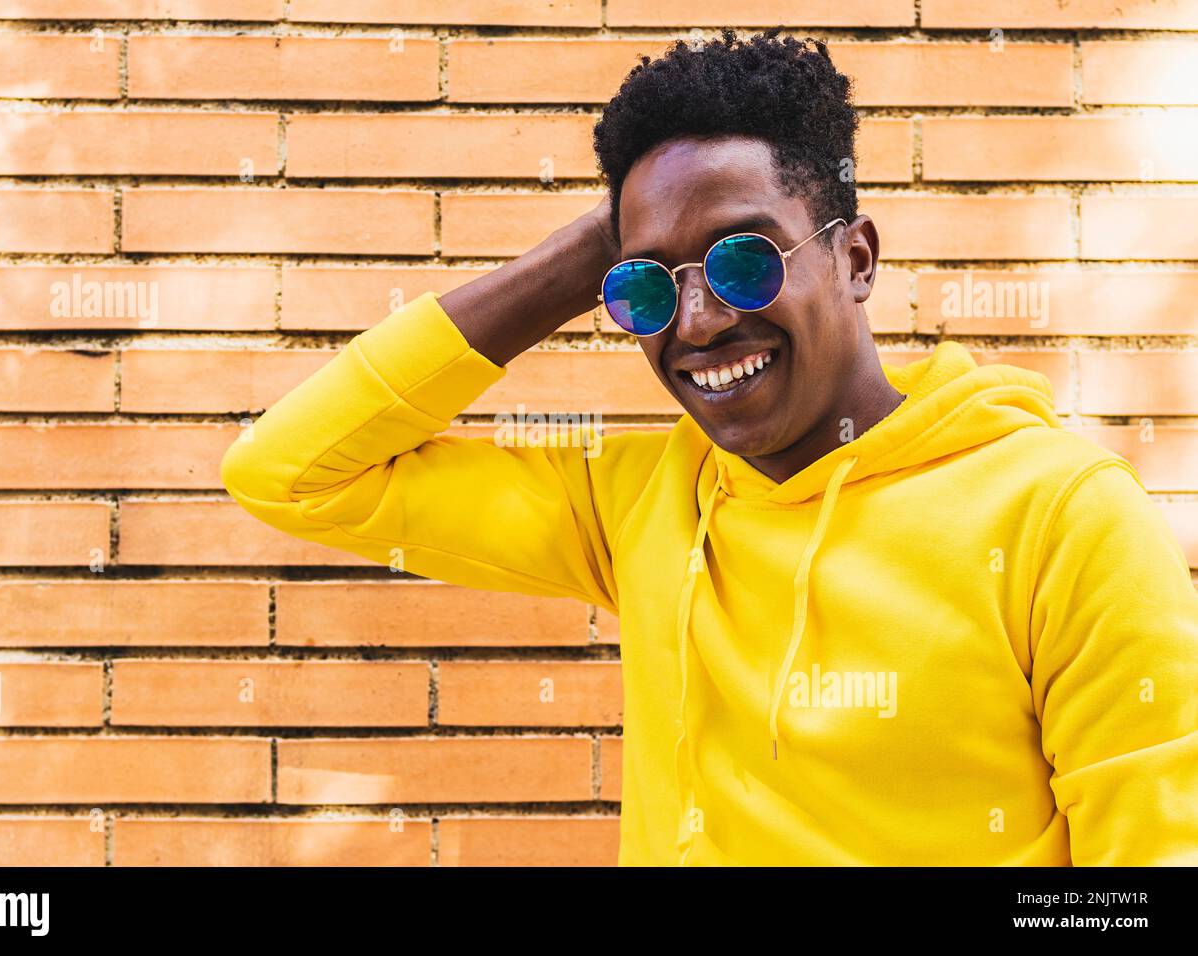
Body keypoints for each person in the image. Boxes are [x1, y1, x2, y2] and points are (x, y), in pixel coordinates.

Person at [221, 28, 1198, 865]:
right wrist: (582, 260)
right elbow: (288, 471)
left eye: (740, 257)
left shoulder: (1061, 513)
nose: (695, 319)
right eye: (645, 285)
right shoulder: (635, 504)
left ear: (853, 257)